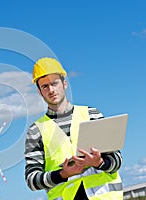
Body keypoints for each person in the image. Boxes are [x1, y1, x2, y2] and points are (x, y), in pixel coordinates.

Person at [24, 57, 123, 200]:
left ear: (64, 84)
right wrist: (62, 174)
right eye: (45, 86)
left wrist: (99, 163)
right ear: (39, 92)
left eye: (54, 83)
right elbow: (32, 180)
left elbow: (117, 160)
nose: (51, 90)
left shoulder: (91, 114)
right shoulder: (36, 131)